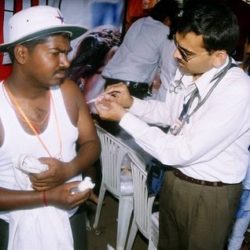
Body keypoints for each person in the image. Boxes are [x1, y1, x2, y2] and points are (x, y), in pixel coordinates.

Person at [95, 1, 250, 249]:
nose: (175, 55)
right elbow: (170, 113)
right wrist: (131, 103)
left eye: (185, 52)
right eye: (177, 45)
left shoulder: (237, 90)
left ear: (218, 57)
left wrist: (124, 118)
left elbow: (180, 151)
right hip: (175, 180)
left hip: (209, 194)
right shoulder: (187, 69)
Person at [0, 5, 100, 250]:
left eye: (66, 52)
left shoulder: (68, 92)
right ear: (22, 54)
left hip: (70, 217)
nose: (66, 62)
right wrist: (47, 197)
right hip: (11, 226)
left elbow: (91, 143)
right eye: (55, 53)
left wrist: (69, 170)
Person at [102, 0, 181, 99]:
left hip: (110, 83)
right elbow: (169, 69)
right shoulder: (165, 32)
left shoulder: (138, 23)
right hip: (131, 89)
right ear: (168, 19)